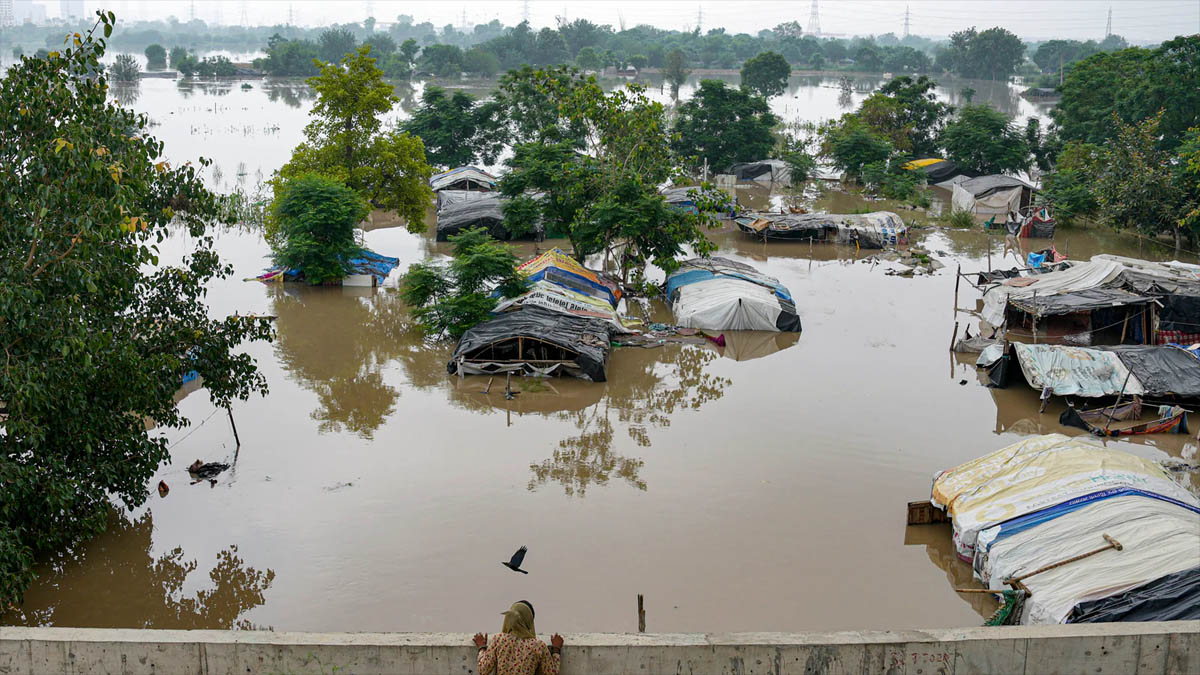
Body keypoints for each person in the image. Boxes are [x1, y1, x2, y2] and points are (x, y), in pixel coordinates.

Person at [474, 600, 563, 675]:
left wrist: (482, 647)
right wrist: (556, 649)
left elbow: (483, 669)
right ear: (529, 621)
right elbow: (552, 672)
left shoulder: (498, 639)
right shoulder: (538, 646)